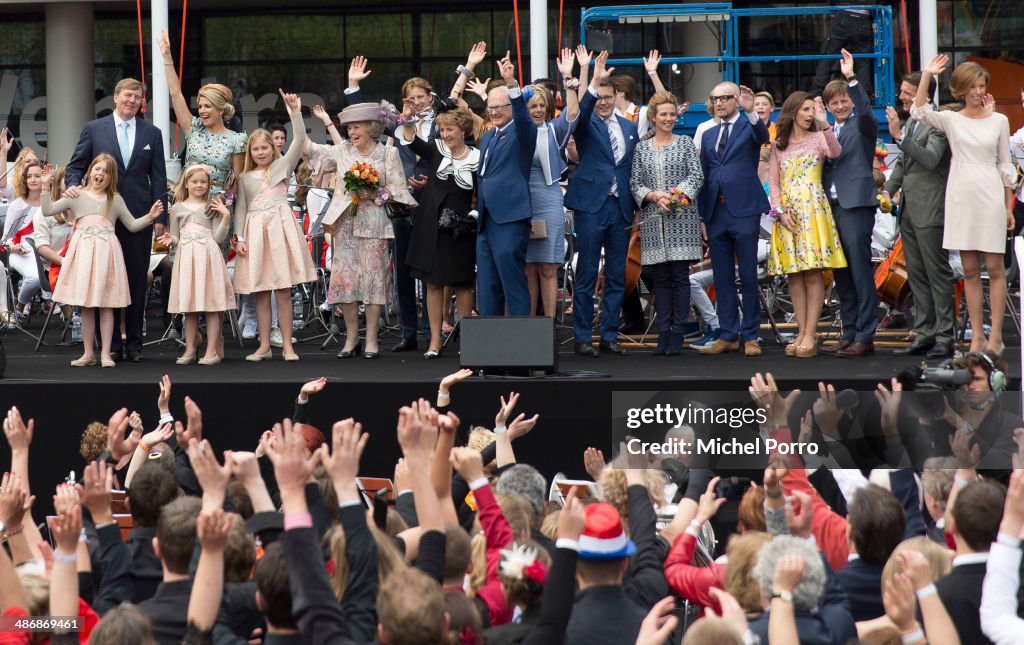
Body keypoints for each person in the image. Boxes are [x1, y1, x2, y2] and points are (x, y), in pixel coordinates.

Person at [911, 55, 1016, 356]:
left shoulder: (999, 120)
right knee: (969, 269)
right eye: (972, 86)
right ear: (960, 90)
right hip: (960, 195)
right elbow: (918, 111)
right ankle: (976, 339)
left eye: (982, 85)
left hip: (990, 194)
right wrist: (927, 75)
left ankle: (995, 336)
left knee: (995, 268)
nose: (978, 91)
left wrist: (1008, 207)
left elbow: (1006, 164)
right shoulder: (951, 119)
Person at [303, 100, 416, 359]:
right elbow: (308, 150)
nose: (351, 133)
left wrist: (376, 192)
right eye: (349, 128)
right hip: (345, 225)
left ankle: (372, 339)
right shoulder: (342, 151)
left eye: (356, 127)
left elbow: (400, 191)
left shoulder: (388, 154)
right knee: (345, 283)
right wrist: (296, 115)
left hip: (375, 224)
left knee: (374, 282)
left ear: (371, 127)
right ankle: (352, 338)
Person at [66, 78, 168, 363]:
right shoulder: (94, 128)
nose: (132, 100)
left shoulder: (153, 133)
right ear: (115, 97)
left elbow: (158, 176)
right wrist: (73, 187)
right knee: (101, 281)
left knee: (136, 278)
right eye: (127, 95)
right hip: (99, 216)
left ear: (141, 101)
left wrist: (162, 217)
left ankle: (134, 344)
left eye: (137, 97)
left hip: (138, 214)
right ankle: (105, 347)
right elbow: (75, 166)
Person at [40, 155, 164, 367]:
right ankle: (88, 353)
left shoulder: (114, 199)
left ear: (111, 177)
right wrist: (45, 185)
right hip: (85, 253)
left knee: (106, 305)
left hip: (107, 254)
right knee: (87, 306)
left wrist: (150, 217)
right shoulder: (76, 195)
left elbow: (132, 225)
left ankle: (106, 353)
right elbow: (47, 210)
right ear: (89, 171)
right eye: (97, 169)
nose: (100, 174)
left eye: (106, 172)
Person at [233, 90, 315, 362]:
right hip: (256, 231)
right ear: (251, 152)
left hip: (279, 229)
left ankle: (288, 345)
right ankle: (264, 345)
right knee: (260, 290)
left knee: (282, 288)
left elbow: (300, 139)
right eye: (255, 149)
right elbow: (241, 209)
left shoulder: (282, 166)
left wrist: (294, 112)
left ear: (272, 147)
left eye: (264, 147)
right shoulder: (245, 178)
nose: (260, 153)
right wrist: (240, 237)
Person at [567, 51, 639, 357]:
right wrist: (591, 82)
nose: (604, 102)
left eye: (609, 97)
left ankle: (609, 336)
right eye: (600, 97)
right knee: (585, 273)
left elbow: (630, 167)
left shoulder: (629, 128)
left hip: (620, 207)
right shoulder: (586, 124)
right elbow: (580, 113)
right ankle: (583, 337)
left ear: (617, 97)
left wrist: (635, 205)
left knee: (616, 275)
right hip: (590, 206)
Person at [766, 92, 847, 358]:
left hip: (813, 208)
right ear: (792, 112)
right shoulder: (779, 144)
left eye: (812, 109)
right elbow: (774, 182)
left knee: (813, 273)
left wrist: (825, 123)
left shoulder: (819, 137)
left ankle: (811, 334)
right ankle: (800, 331)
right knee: (794, 274)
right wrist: (778, 211)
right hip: (787, 211)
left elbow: (835, 152)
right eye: (805, 109)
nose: (810, 113)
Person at [883, 71, 955, 359]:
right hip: (909, 210)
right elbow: (903, 162)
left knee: (936, 273)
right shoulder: (913, 120)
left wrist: (899, 136)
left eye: (906, 92)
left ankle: (945, 335)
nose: (901, 96)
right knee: (917, 274)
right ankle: (924, 332)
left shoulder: (936, 123)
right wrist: (888, 190)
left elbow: (930, 159)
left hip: (930, 206)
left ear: (922, 94)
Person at [399, 104, 479, 359]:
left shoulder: (478, 156)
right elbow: (412, 142)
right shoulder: (435, 149)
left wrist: (471, 218)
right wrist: (408, 119)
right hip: (431, 226)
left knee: (464, 285)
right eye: (442, 129)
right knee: (433, 284)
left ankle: (468, 341)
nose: (445, 134)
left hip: (461, 229)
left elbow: (482, 193)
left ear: (463, 130)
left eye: (450, 129)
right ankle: (434, 340)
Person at [697, 82, 770, 357]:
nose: (719, 103)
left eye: (725, 98)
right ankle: (728, 334)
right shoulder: (707, 133)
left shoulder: (748, 126)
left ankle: (751, 335)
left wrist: (752, 111)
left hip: (744, 210)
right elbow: (705, 175)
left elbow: (762, 135)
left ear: (737, 100)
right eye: (715, 99)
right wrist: (703, 215)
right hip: (716, 212)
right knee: (722, 276)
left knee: (748, 275)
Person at [629, 91, 703, 355]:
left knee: (680, 277)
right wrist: (652, 196)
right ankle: (663, 330)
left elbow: (696, 177)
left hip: (681, 220)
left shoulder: (685, 143)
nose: (669, 118)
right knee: (660, 278)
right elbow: (635, 182)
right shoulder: (641, 148)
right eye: (663, 114)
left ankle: (678, 332)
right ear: (653, 117)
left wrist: (673, 196)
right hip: (653, 220)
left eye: (672, 114)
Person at [820, 49, 879, 358]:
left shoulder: (862, 124)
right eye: (835, 102)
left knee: (859, 271)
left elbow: (868, 113)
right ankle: (850, 330)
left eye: (844, 100)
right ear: (828, 107)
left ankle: (866, 335)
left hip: (855, 204)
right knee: (841, 273)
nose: (840, 106)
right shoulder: (828, 129)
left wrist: (851, 77)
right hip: (831, 206)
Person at [475, 52, 537, 317]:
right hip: (486, 219)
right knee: (487, 285)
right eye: (491, 107)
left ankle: (521, 348)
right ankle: (490, 348)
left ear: (512, 106)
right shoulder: (488, 136)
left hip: (510, 217)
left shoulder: (524, 131)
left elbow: (523, 118)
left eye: (500, 106)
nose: (495, 111)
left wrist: (511, 84)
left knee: (512, 283)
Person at [157, 165, 235, 366]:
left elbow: (218, 237)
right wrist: (171, 239)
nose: (199, 185)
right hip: (187, 257)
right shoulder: (177, 208)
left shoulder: (213, 206)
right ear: (186, 183)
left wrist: (225, 216)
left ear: (208, 184)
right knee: (189, 306)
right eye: (195, 181)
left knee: (210, 304)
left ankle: (211, 351)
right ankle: (190, 348)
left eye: (203, 181)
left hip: (208, 255)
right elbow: (175, 234)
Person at [524, 49, 580, 319]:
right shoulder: (516, 132)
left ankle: (547, 324)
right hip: (522, 204)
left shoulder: (554, 130)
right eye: (531, 105)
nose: (537, 110)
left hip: (548, 200)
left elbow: (572, 113)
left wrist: (569, 78)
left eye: (541, 105)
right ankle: (530, 326)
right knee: (527, 268)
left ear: (547, 107)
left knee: (547, 267)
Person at [159, 31, 247, 194]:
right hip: (189, 201)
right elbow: (175, 93)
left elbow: (238, 182)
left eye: (208, 106)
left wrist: (226, 203)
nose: (202, 111)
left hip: (219, 206)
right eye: (200, 107)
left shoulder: (237, 140)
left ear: (221, 109)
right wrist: (167, 58)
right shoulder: (193, 128)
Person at [2, 161, 44, 320]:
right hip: (21, 252)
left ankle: (71, 319)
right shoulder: (16, 206)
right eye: (29, 176)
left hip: (46, 251)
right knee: (35, 278)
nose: (33, 180)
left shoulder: (51, 204)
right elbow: (6, 239)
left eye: (37, 176)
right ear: (24, 180)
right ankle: (19, 306)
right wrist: (14, 247)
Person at [810, 4, 875, 99]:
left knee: (827, 58)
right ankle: (864, 96)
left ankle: (817, 95)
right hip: (864, 16)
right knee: (863, 62)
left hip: (844, 14)